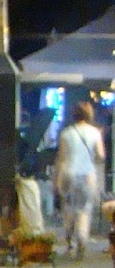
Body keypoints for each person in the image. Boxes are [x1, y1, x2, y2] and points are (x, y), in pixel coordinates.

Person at [54, 100, 105, 257]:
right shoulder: (95, 133)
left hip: (68, 174)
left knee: (68, 208)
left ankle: (70, 243)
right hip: (87, 175)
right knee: (85, 209)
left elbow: (61, 158)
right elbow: (101, 156)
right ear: (89, 114)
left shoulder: (66, 133)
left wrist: (56, 180)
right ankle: (82, 238)